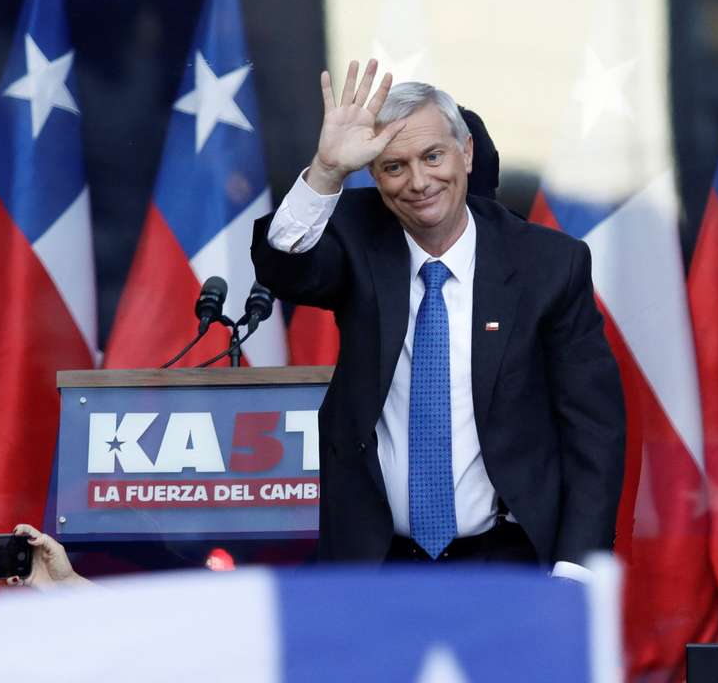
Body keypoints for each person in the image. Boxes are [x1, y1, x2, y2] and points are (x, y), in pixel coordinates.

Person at [250, 59, 625, 576]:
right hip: (377, 564)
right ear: (376, 176)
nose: (419, 182)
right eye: (394, 166)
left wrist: (574, 570)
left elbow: (593, 429)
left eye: (432, 156)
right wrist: (327, 170)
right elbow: (283, 266)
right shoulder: (357, 237)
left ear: (466, 153)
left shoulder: (548, 265)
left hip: (509, 559)